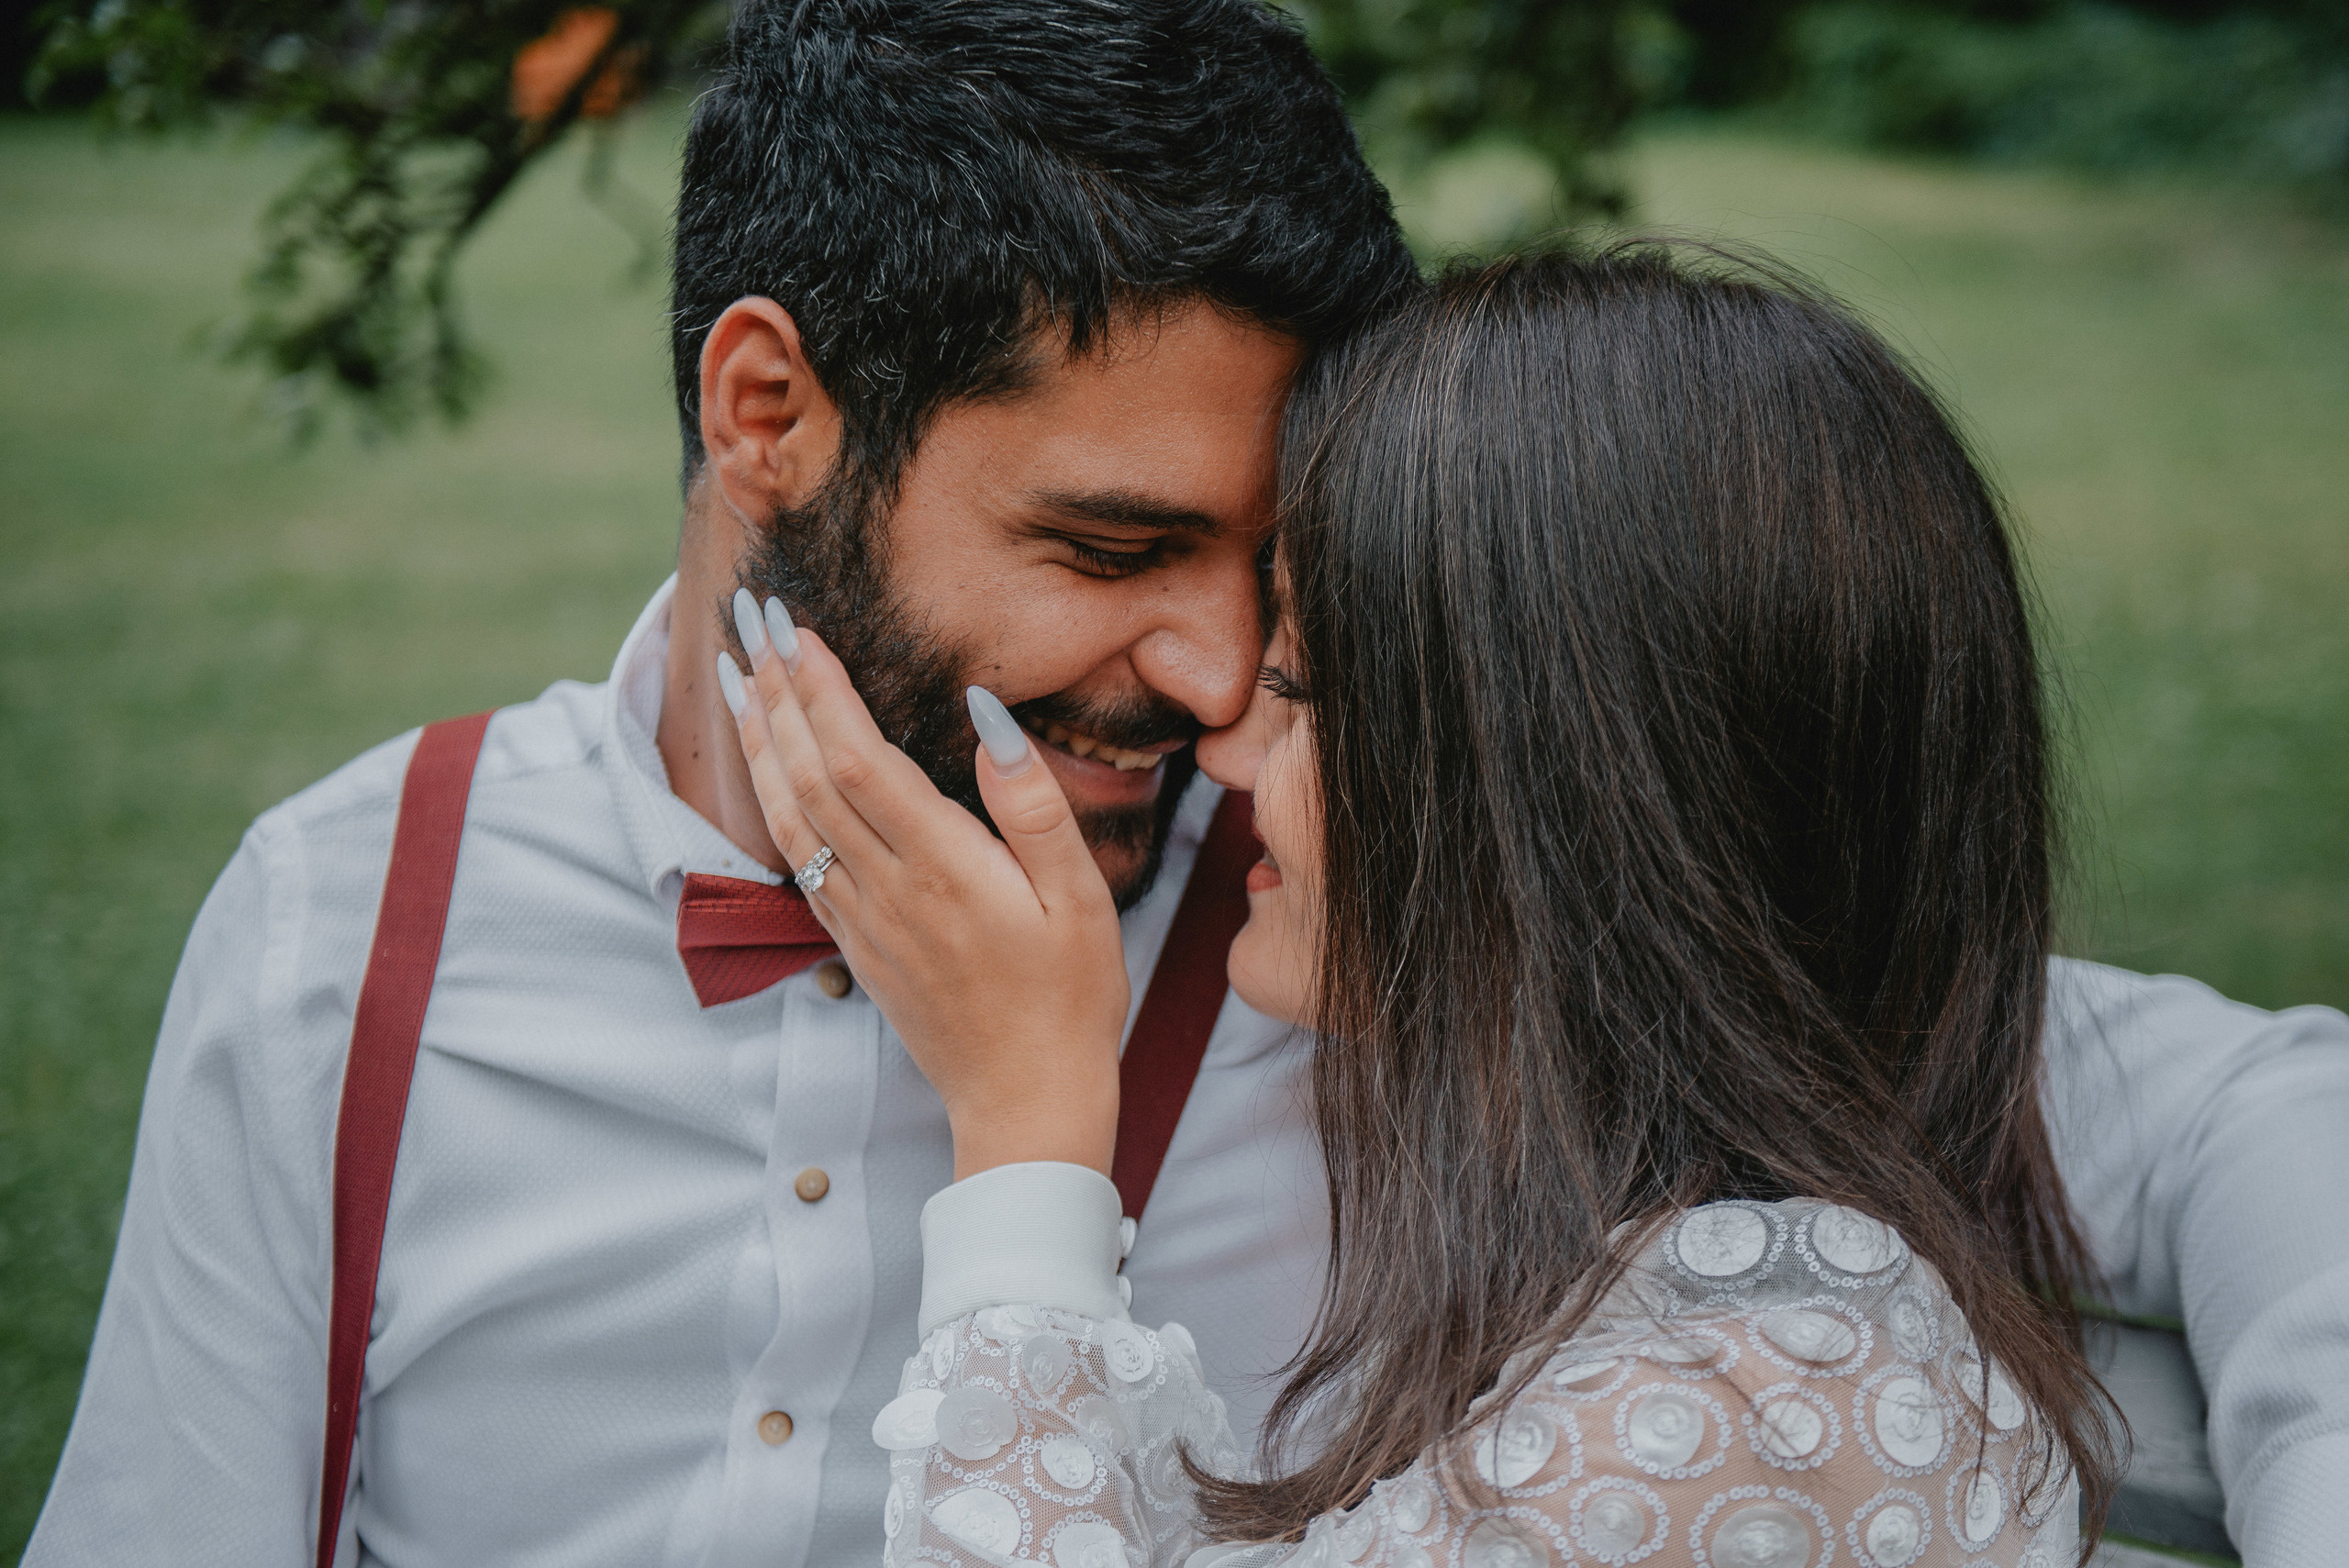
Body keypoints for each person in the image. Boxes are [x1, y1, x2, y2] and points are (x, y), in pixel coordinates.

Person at [21, 3, 2347, 1565]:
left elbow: (2254, 1118)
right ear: (767, 415)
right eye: (1110, 547)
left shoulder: (1432, 907)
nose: (1220, 675)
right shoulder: (356, 918)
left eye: (1272, 577)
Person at [720, 246, 2123, 1566]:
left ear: (1550, 786)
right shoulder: (1725, 1302)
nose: (1220, 734)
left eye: (1301, 685)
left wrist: (1026, 1137)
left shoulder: (1759, 1381)